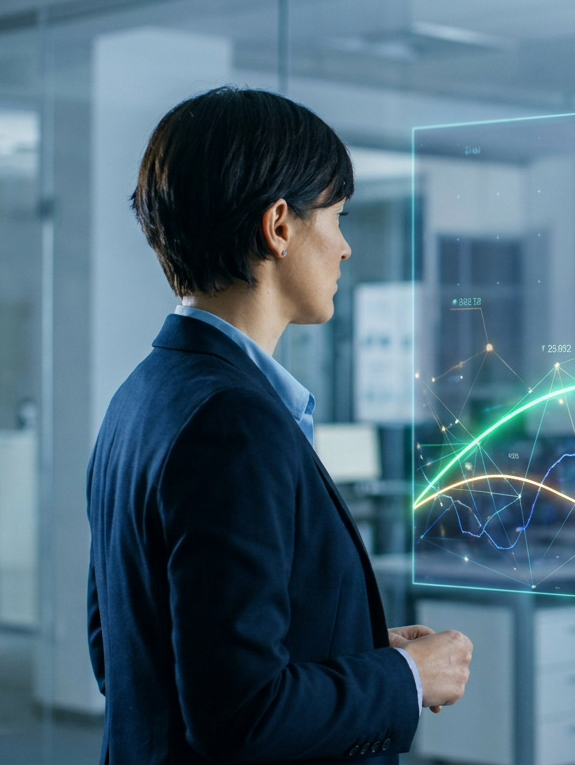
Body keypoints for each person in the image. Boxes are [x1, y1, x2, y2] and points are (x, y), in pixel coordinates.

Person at [86, 86, 471, 764]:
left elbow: (127, 653)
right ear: (280, 227)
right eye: (338, 217)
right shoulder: (233, 425)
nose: (346, 248)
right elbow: (244, 715)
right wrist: (409, 678)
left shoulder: (141, 397)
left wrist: (348, 652)